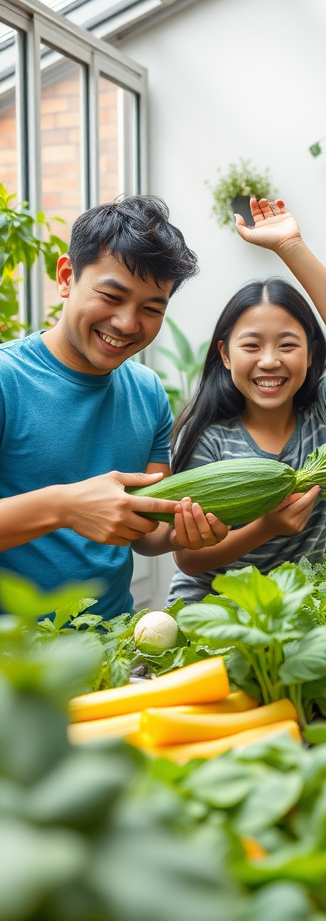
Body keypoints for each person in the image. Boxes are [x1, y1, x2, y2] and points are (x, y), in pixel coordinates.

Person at [0, 196, 228, 618]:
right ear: (67, 276)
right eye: (111, 296)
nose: (127, 323)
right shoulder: (5, 377)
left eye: (150, 309)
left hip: (114, 645)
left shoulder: (147, 391)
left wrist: (186, 532)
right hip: (16, 663)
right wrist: (64, 506)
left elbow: (147, 533)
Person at [167, 196, 326, 603]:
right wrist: (267, 526)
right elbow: (188, 559)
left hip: (305, 606)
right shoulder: (209, 439)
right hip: (212, 606)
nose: (269, 361)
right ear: (225, 355)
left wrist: (290, 246)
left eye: (287, 344)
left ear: (311, 354)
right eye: (251, 346)